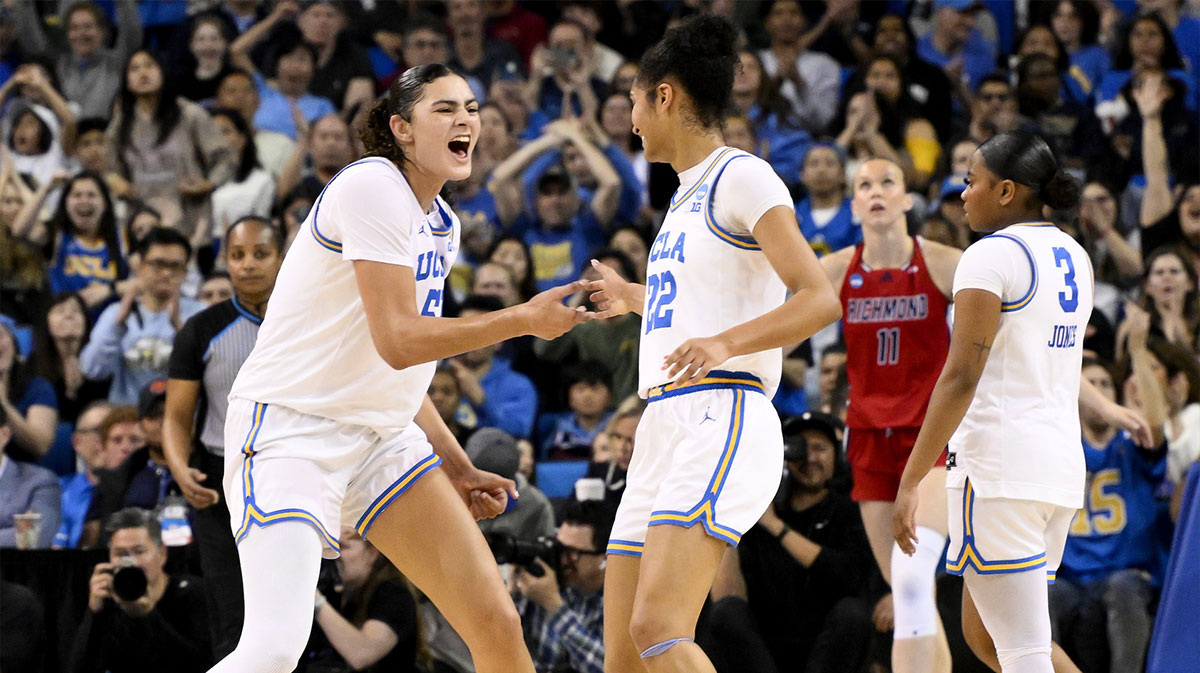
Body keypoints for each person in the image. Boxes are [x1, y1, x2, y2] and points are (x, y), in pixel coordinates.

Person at [208, 63, 590, 673]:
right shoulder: (371, 186)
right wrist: (519, 318)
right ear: (402, 129)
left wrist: (457, 465)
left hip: (381, 438)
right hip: (290, 432)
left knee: (493, 620)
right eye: (444, 109)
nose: (466, 119)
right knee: (274, 649)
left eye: (471, 107)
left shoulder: (444, 223)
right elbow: (400, 341)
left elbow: (398, 373)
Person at [586, 15, 841, 673]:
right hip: (663, 423)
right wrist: (633, 297)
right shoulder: (683, 197)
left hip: (720, 412)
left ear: (663, 95)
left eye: (635, 101)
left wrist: (725, 343)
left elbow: (818, 298)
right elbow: (699, 303)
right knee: (623, 655)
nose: (631, 119)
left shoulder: (743, 177)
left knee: (660, 627)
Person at [892, 131, 1141, 673]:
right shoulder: (1074, 254)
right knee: (983, 635)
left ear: (1006, 191)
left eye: (970, 181)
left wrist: (911, 480)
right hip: (1054, 471)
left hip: (998, 471)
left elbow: (960, 377)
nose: (961, 194)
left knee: (1023, 652)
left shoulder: (990, 256)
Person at [818, 158, 962, 673]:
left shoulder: (945, 263)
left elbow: (1016, 323)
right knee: (910, 595)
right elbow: (767, 320)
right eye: (864, 185)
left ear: (906, 200)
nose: (876, 192)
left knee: (910, 577)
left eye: (887, 183)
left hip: (933, 441)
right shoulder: (834, 270)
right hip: (868, 440)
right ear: (853, 204)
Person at [162, 216, 284, 661]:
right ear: (224, 262)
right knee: (233, 618)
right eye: (237, 255)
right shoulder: (201, 330)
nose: (248, 264)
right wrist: (180, 467)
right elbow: (176, 417)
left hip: (292, 475)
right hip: (220, 484)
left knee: (287, 617)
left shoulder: (307, 323)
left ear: (282, 258)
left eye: (260, 253)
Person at [704, 411, 876, 673]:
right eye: (800, 448)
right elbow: (728, 596)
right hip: (766, 650)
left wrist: (776, 527)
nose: (809, 458)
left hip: (825, 645)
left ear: (837, 458)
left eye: (819, 448)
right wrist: (729, 519)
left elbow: (849, 575)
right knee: (725, 612)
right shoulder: (758, 510)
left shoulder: (847, 510)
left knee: (853, 612)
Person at [70, 507, 211, 673]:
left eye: (139, 551)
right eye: (120, 553)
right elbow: (78, 667)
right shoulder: (109, 598)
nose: (131, 561)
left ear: (162, 553)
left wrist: (147, 615)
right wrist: (94, 613)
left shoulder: (192, 593)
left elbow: (198, 664)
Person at [80, 227, 204, 405]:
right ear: (140, 266)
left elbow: (211, 373)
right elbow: (92, 370)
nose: (167, 273)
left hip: (180, 419)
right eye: (159, 264)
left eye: (175, 266)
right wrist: (117, 327)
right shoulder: (117, 312)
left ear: (185, 273)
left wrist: (180, 329)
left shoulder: (200, 313)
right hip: (127, 419)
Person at [513, 499, 616, 673]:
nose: (563, 559)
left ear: (604, 558)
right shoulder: (547, 579)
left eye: (574, 553)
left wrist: (554, 606)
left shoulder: (619, 601)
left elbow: (608, 667)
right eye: (560, 548)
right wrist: (513, 591)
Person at [309, 529, 426, 673]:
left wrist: (317, 600)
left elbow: (361, 654)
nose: (334, 555)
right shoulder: (337, 591)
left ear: (372, 553)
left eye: (343, 547)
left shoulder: (396, 595)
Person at [0, 404, 61, 548]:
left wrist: (23, 533)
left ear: (4, 435)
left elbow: (37, 536)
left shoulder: (40, 482)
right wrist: (12, 531)